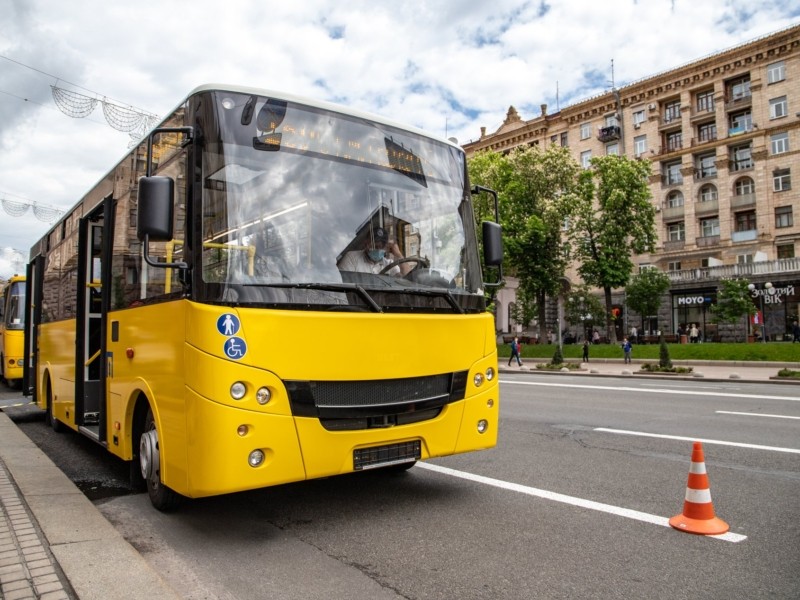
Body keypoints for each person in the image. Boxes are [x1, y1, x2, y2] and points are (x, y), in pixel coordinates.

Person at [337, 226, 411, 276]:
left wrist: (398, 254)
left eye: (382, 246)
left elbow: (408, 278)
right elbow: (342, 285)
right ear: (366, 244)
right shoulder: (352, 258)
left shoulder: (389, 264)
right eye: (375, 246)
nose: (379, 249)